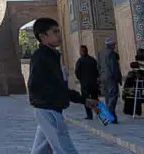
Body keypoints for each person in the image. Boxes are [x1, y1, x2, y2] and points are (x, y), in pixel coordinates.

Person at [28, 18, 97, 154]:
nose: (59, 35)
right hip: (48, 109)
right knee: (66, 149)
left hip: (50, 108)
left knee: (40, 150)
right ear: (43, 36)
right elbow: (35, 85)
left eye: (59, 31)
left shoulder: (52, 56)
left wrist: (83, 100)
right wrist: (48, 100)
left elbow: (59, 86)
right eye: (55, 32)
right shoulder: (41, 57)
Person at [97, 37, 122, 123]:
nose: (115, 46)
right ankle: (108, 113)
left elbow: (98, 66)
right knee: (113, 95)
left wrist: (100, 76)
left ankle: (113, 118)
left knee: (107, 96)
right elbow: (113, 67)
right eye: (114, 45)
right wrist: (117, 78)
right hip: (110, 77)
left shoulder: (100, 52)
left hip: (103, 76)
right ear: (112, 45)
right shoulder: (111, 53)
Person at [74, 45, 99, 121]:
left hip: (85, 84)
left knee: (86, 99)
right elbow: (97, 70)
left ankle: (89, 115)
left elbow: (77, 72)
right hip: (94, 83)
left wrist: (81, 79)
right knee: (95, 98)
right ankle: (100, 113)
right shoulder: (93, 60)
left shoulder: (80, 61)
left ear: (82, 52)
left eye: (80, 51)